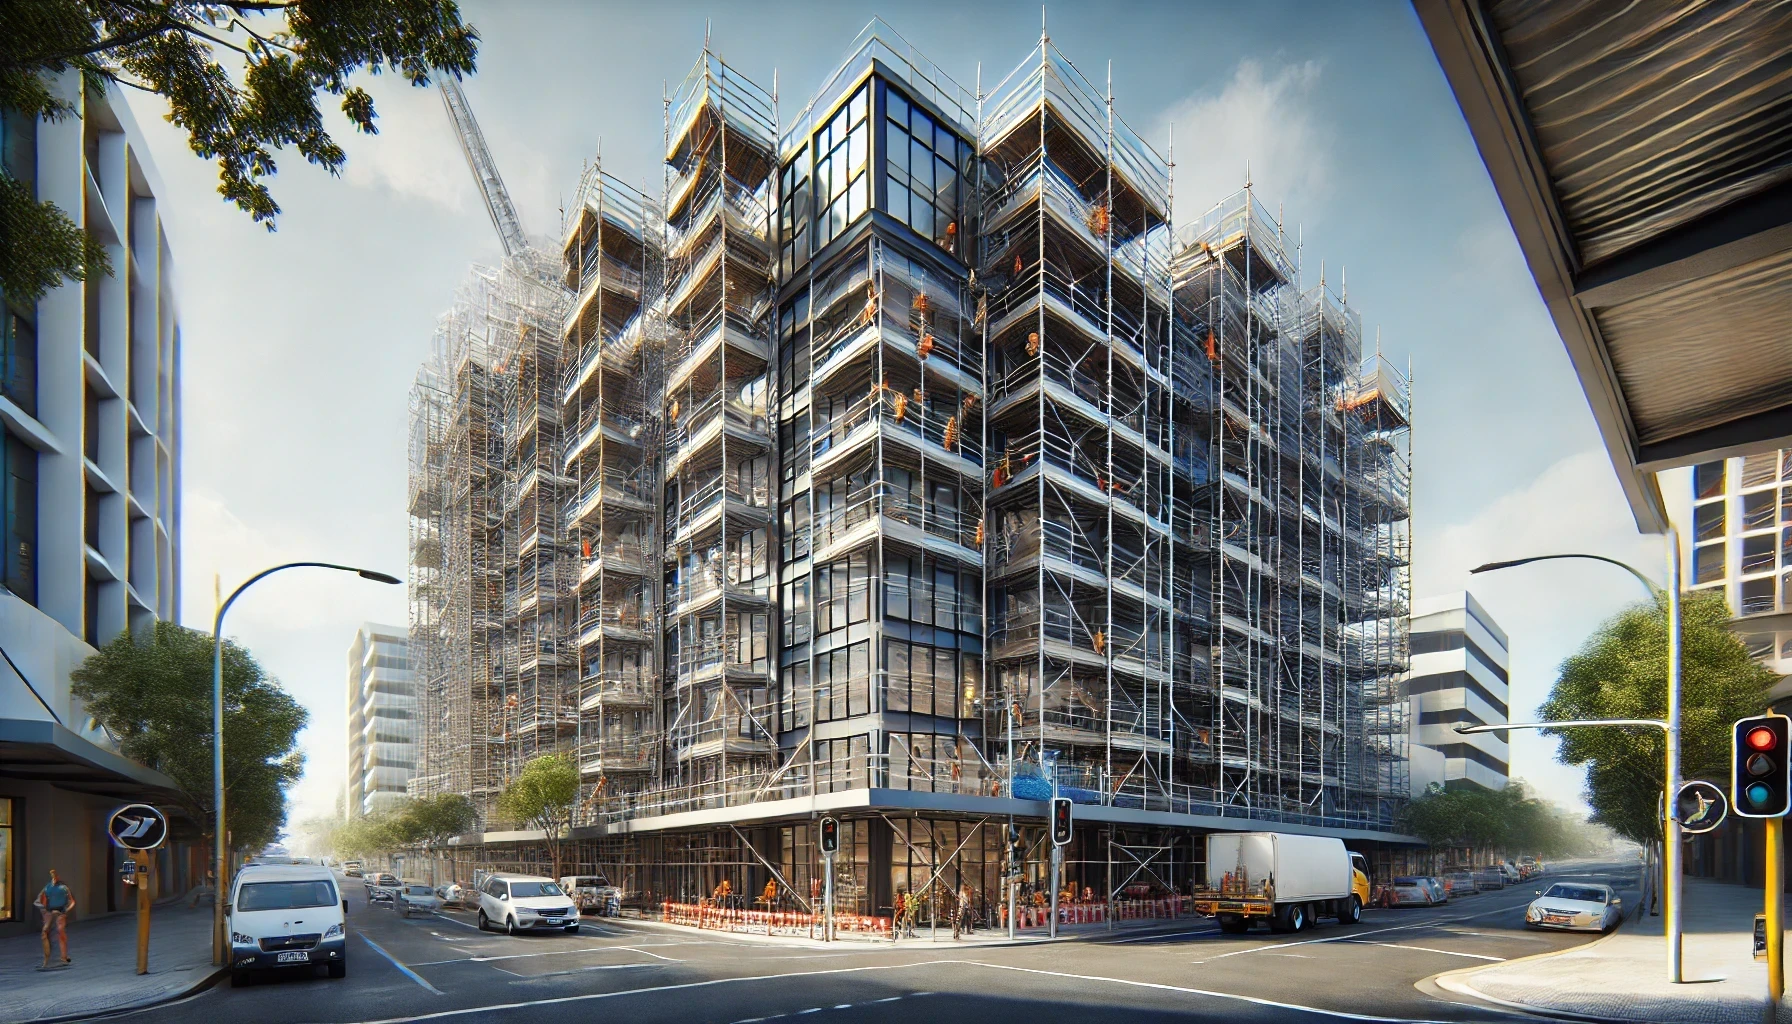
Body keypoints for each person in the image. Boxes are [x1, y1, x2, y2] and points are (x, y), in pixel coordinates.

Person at [36, 869, 75, 968]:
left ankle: (63, 956)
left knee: (60, 931)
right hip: (51, 912)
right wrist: (45, 914)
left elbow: (72, 901)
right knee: (45, 933)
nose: (54, 877)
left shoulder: (64, 888)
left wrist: (66, 911)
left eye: (55, 875)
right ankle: (47, 960)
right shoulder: (48, 888)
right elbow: (44, 902)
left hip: (60, 912)